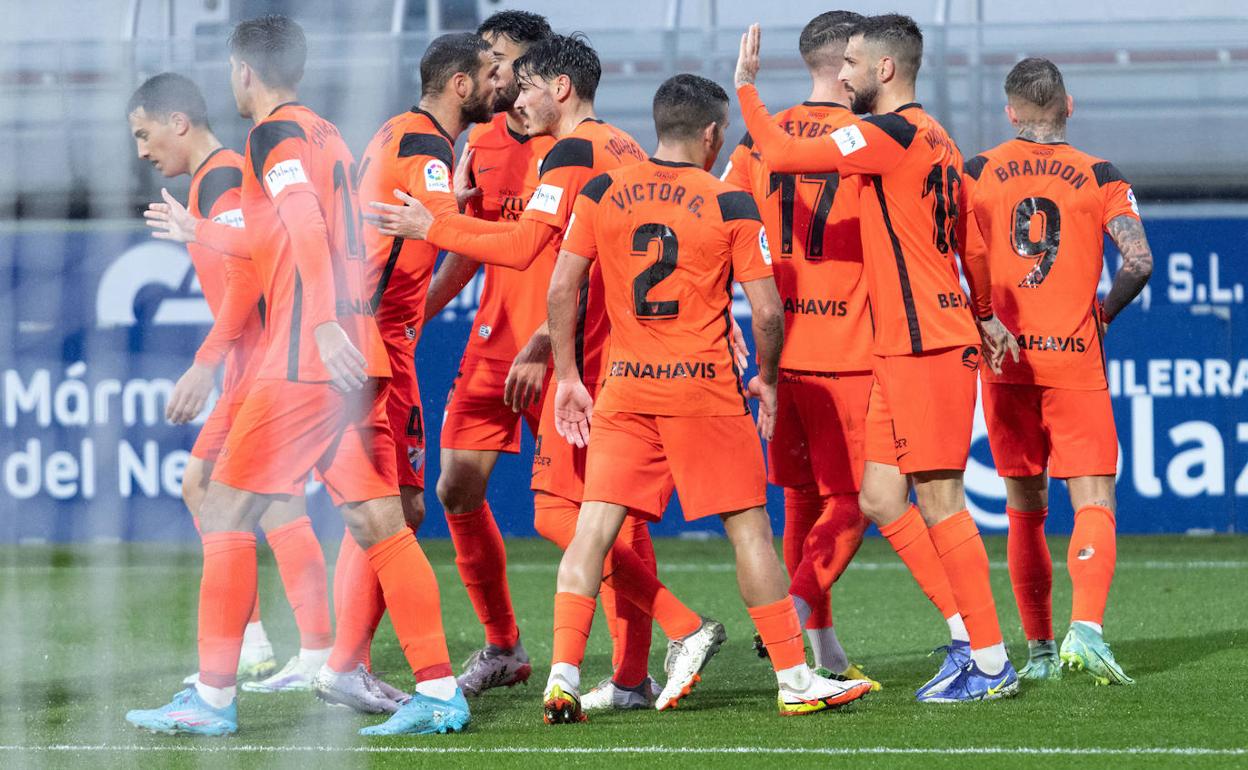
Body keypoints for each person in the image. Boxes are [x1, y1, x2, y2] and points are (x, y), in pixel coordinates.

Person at [125, 15, 466, 737]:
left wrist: (317, 325)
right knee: (379, 522)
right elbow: (280, 230)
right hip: (360, 350)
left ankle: (214, 697)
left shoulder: (271, 134)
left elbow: (305, 225)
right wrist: (203, 232)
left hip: (308, 359)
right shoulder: (327, 133)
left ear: (243, 71)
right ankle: (439, 692)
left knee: (222, 509)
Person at [370, 33, 707, 712]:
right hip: (560, 346)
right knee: (497, 495)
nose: (510, 91)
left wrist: (430, 227)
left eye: (519, 78)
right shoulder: (604, 147)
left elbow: (533, 250)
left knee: (575, 513)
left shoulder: (573, 151)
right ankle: (606, 664)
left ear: (556, 84)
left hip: (579, 353)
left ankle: (677, 634)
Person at [541, 73, 874, 724]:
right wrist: (769, 377)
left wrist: (568, 376)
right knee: (749, 531)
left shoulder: (604, 191)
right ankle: (795, 677)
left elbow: (562, 289)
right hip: (703, 389)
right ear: (714, 134)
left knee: (592, 530)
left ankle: (561, 678)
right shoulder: (727, 202)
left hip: (625, 387)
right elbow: (768, 311)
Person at [734, 15, 1020, 702]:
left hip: (926, 342)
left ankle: (989, 660)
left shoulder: (892, 134)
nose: (846, 75)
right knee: (879, 496)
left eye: (855, 65)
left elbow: (779, 151)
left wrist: (746, 88)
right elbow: (974, 245)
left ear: (886, 71)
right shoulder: (939, 139)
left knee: (943, 500)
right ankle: (966, 642)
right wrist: (984, 312)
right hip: (902, 343)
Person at [311, 31, 498, 715]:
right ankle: (412, 679)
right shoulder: (423, 144)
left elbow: (423, 225)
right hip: (363, 348)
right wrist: (501, 226)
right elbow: (439, 228)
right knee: (380, 517)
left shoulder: (410, 137)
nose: (502, 83)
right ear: (459, 85)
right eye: (492, 74)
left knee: (405, 508)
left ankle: (343, 667)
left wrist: (451, 203)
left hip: (391, 347)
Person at [129, 72, 334, 691]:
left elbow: (247, 273)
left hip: (259, 362)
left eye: (144, 133)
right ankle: (306, 648)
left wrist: (206, 362)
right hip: (263, 359)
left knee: (209, 487)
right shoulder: (212, 176)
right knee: (272, 503)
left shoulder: (218, 177)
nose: (141, 150)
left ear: (178, 123)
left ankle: (258, 647)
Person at [962, 57, 1151, 685]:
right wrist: (1101, 312)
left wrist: (981, 318)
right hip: (1073, 357)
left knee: (1025, 507)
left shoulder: (977, 171)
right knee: (1094, 498)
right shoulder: (1100, 174)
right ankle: (1086, 632)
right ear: (1070, 107)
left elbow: (950, 255)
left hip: (1004, 356)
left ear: (1010, 111)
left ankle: (1040, 650)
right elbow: (1139, 261)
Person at [720, 10, 879, 686]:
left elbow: (714, 224)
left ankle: (823, 653)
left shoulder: (760, 140)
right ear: (850, 57)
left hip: (778, 348)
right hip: (849, 347)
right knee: (856, 501)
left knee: (799, 503)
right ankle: (793, 610)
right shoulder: (868, 137)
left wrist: (720, 317)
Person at [418, 10, 556, 697]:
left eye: (502, 61)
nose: (491, 73)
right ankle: (504, 646)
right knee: (455, 487)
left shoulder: (575, 144)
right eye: (487, 61)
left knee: (581, 508)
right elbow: (468, 247)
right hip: (494, 345)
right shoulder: (479, 140)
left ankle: (633, 663)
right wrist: (416, 311)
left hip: (557, 350)